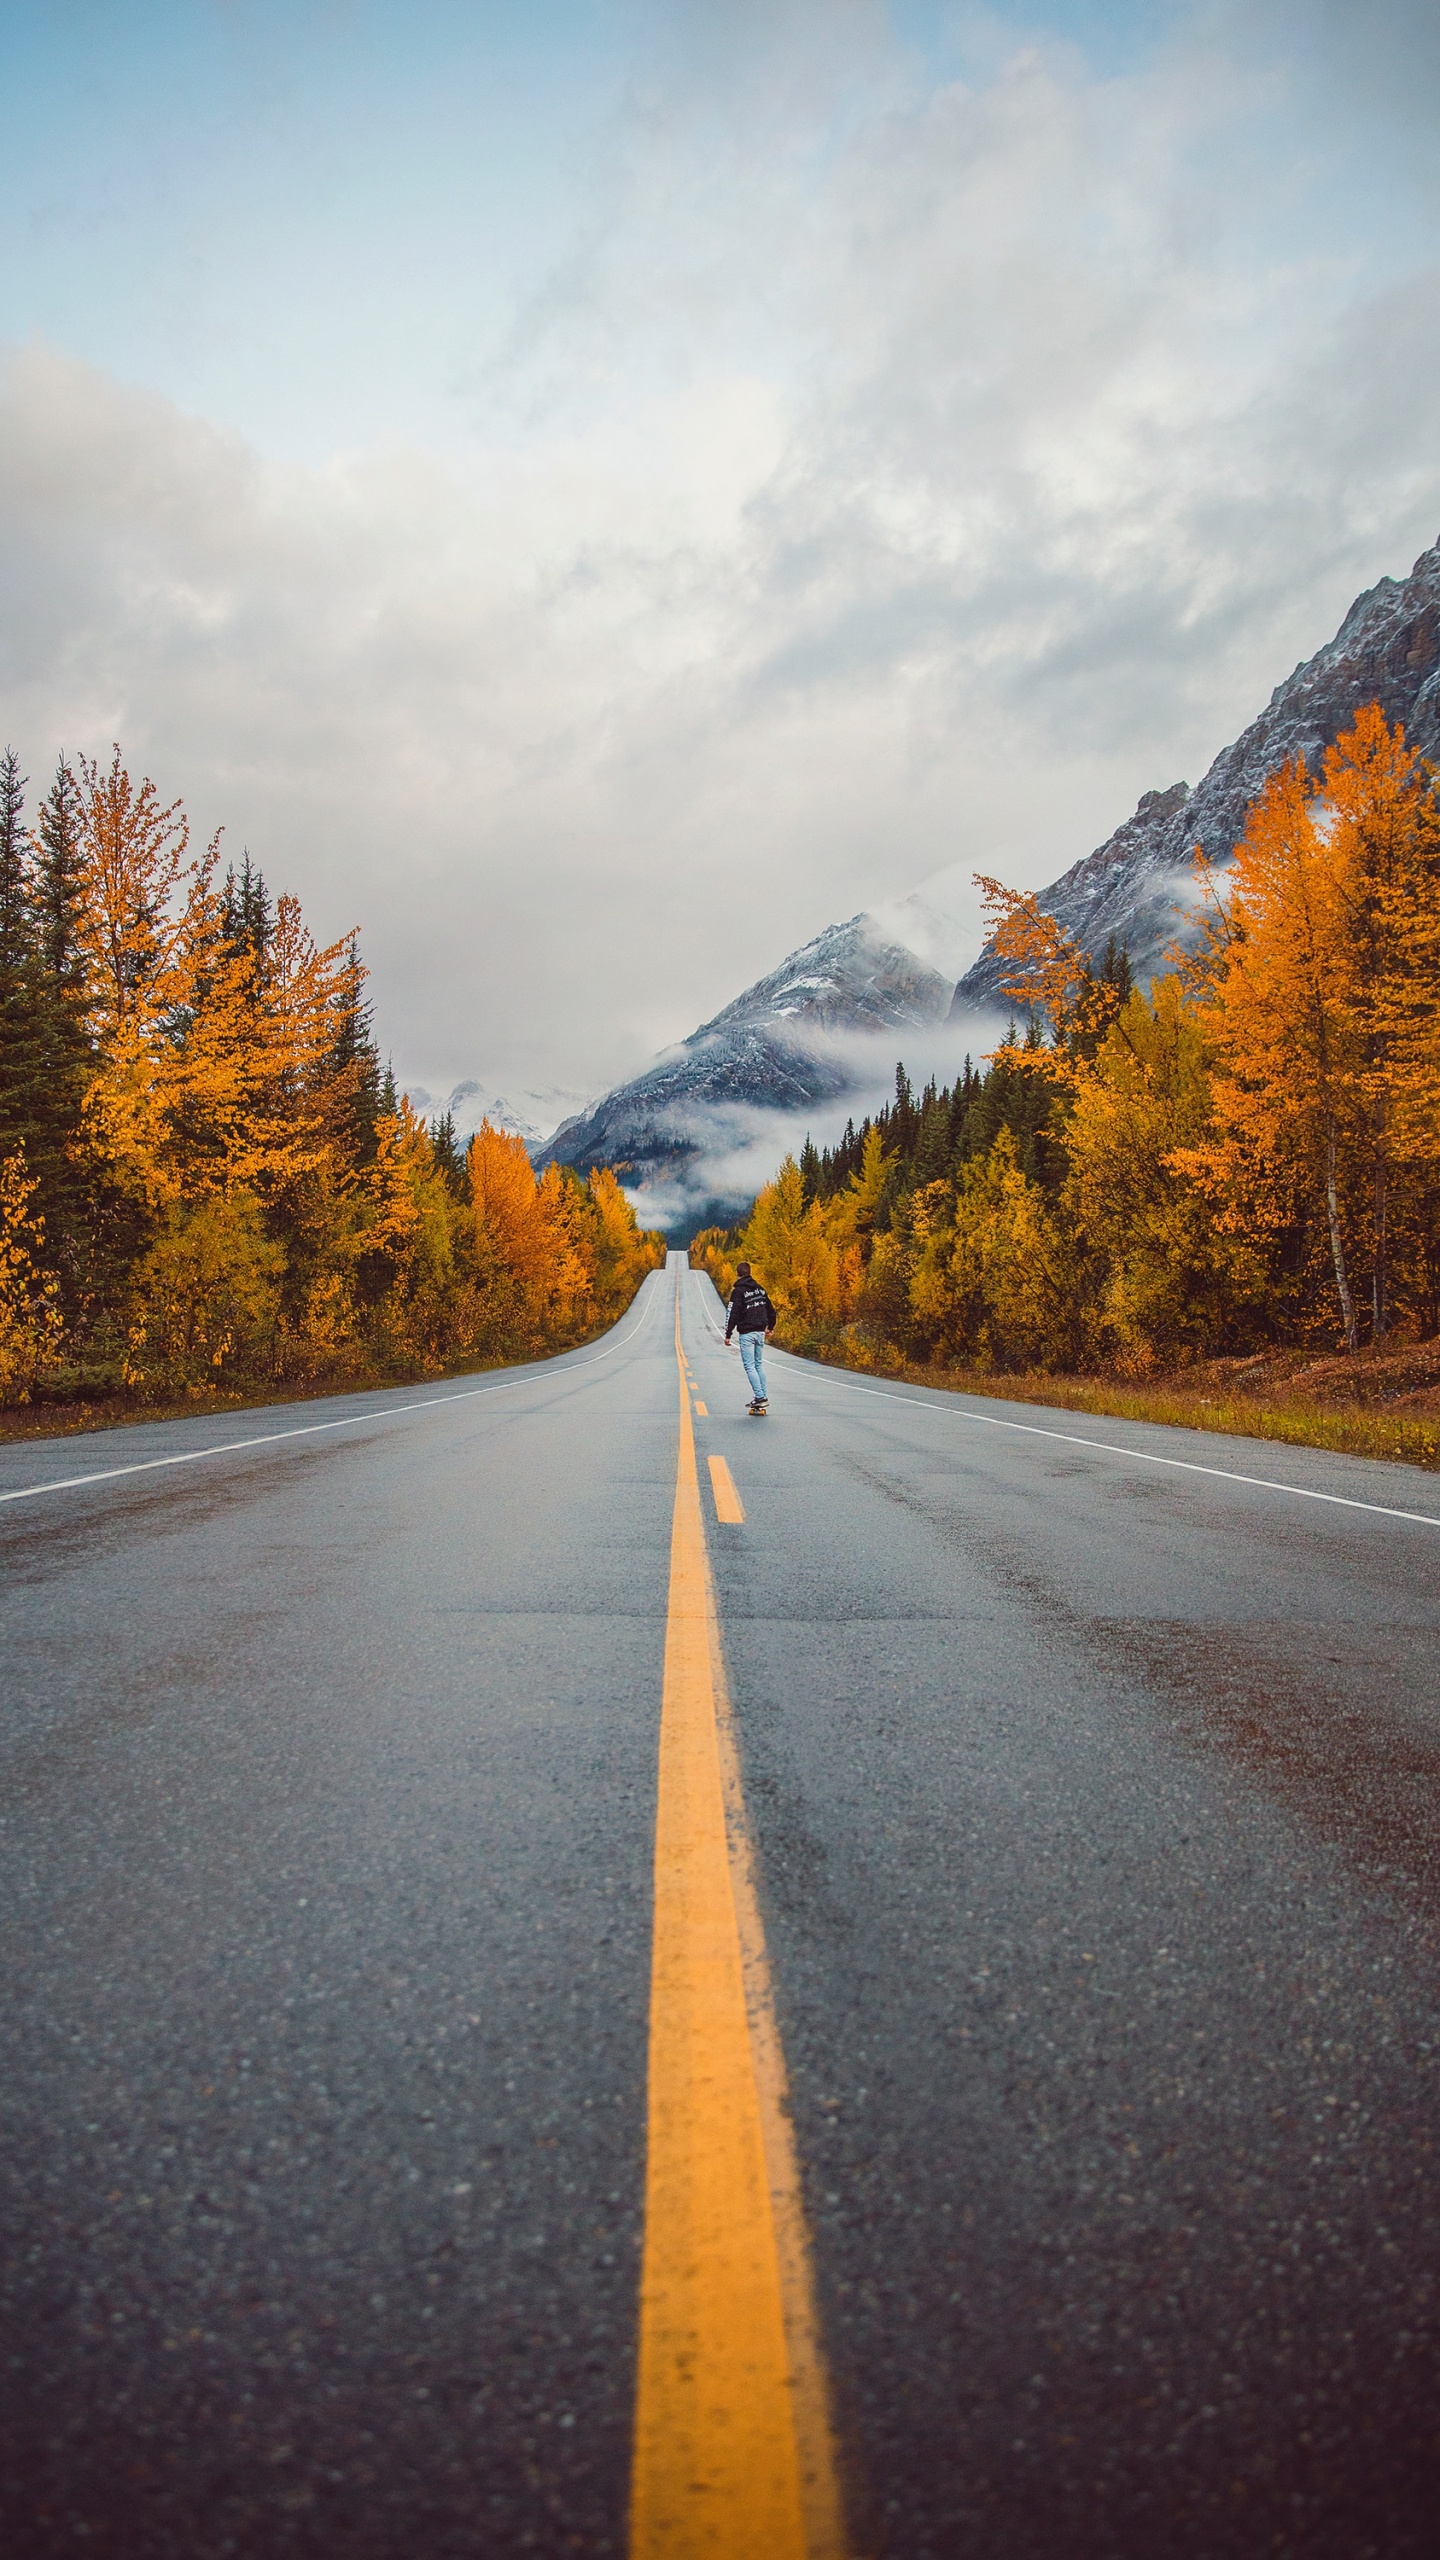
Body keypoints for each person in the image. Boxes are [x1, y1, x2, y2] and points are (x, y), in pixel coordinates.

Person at [724, 1260, 777, 1414]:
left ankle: (760, 1397)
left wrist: (728, 1334)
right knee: (758, 1364)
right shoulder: (760, 1290)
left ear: (737, 1273)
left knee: (749, 1366)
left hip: (747, 1333)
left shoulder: (738, 1292)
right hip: (760, 1332)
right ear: (750, 1272)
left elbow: (732, 1313)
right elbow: (771, 1310)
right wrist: (770, 1327)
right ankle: (763, 1396)